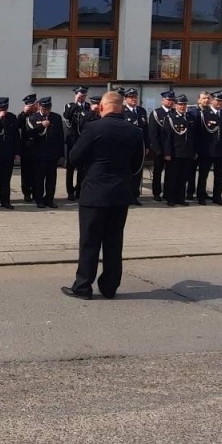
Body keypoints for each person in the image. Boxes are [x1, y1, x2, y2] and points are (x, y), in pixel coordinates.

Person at [64, 90, 145, 300]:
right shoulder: (135, 131)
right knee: (114, 242)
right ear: (122, 106)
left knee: (90, 242)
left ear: (102, 107)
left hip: (95, 193)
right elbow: (137, 165)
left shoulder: (93, 128)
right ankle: (109, 287)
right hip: (120, 194)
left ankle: (83, 287)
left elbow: (74, 157)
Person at [160, 93, 196, 207]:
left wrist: (194, 151)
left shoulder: (190, 118)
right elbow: (166, 138)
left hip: (187, 152)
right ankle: (170, 198)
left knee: (183, 176)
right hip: (174, 153)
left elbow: (194, 137)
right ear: (175, 105)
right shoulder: (170, 118)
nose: (182, 106)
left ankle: (180, 197)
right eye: (180, 104)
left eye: (184, 104)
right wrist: (167, 153)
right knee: (172, 177)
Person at [31, 95, 66, 207]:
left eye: (48, 108)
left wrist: (61, 153)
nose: (46, 110)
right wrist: (41, 125)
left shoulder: (56, 117)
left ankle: (49, 199)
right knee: (39, 178)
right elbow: (30, 133)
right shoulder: (33, 118)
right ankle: (39, 199)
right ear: (40, 107)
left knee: (51, 179)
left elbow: (60, 136)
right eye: (44, 108)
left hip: (52, 153)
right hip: (39, 153)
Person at [195, 91, 222, 205]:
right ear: (212, 100)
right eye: (217, 100)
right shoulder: (204, 114)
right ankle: (201, 196)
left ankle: (217, 196)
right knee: (203, 175)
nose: (219, 103)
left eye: (221, 101)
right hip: (207, 149)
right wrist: (197, 149)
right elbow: (198, 133)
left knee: (220, 175)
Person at [118, 87, 148, 205]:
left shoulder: (141, 111)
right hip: (126, 145)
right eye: (131, 97)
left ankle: (134, 195)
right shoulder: (122, 111)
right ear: (125, 99)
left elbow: (146, 129)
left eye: (135, 97)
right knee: (126, 171)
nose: (134, 99)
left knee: (138, 171)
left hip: (139, 145)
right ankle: (124, 195)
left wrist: (147, 145)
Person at [63, 87, 93, 201]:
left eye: (84, 96)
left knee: (82, 167)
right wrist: (75, 102)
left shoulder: (89, 106)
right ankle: (70, 191)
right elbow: (67, 116)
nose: (82, 98)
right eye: (80, 95)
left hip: (84, 140)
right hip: (72, 140)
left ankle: (79, 190)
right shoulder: (70, 105)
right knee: (70, 167)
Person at [147, 92, 176, 203]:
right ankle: (156, 193)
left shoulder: (174, 113)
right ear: (163, 100)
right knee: (158, 172)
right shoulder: (156, 113)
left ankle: (168, 193)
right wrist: (157, 149)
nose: (170, 102)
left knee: (170, 173)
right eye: (168, 100)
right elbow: (153, 133)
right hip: (159, 148)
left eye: (172, 100)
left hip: (172, 149)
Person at [17, 95, 40, 205]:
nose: (33, 107)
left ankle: (37, 193)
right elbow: (17, 126)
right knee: (26, 171)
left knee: (37, 171)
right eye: (30, 106)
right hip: (26, 146)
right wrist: (24, 113)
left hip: (38, 145)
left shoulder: (39, 114)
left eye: (34, 105)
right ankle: (26, 193)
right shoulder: (24, 116)